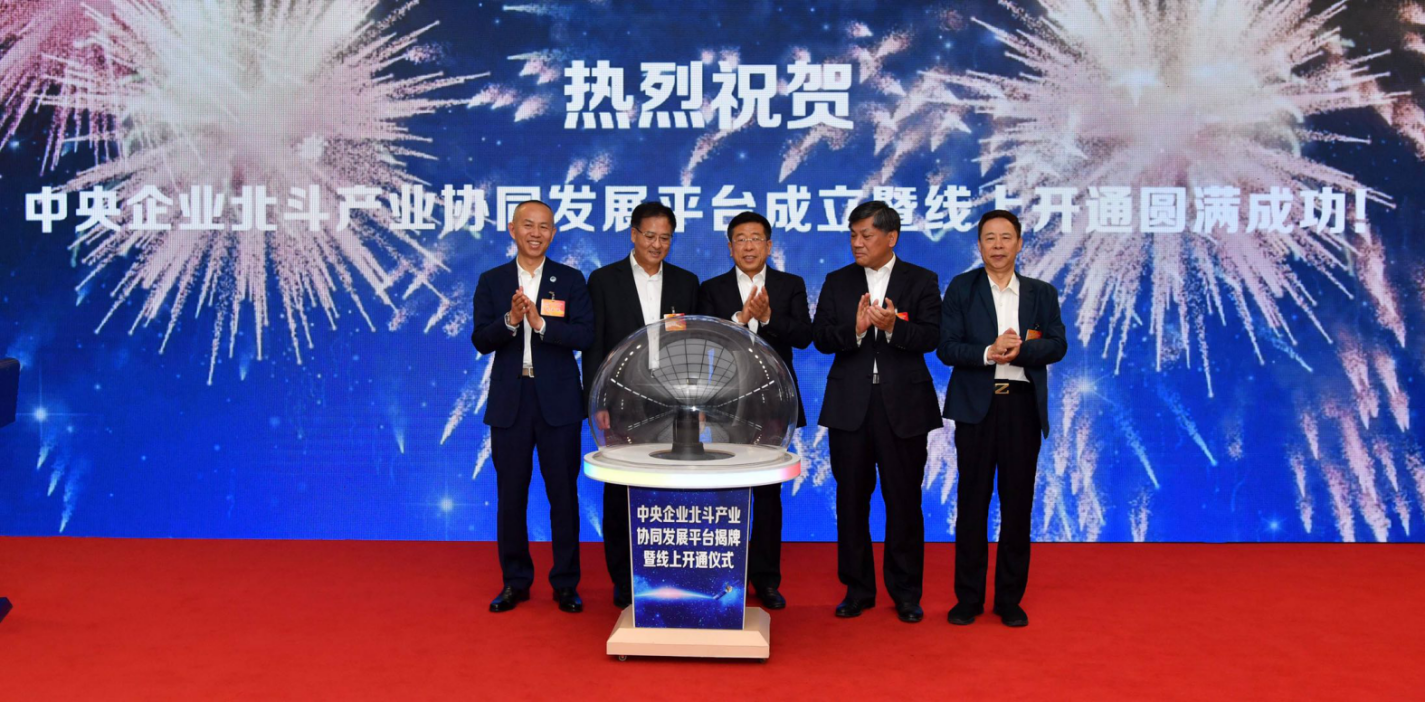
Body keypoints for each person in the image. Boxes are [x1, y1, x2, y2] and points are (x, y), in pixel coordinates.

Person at [812, 200, 942, 624]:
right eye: (853, 235)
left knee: (903, 500)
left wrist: (892, 327)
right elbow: (820, 338)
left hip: (903, 408)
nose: (857, 243)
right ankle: (857, 589)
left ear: (891, 237)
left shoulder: (921, 279)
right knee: (851, 500)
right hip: (850, 406)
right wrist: (856, 329)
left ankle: (906, 593)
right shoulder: (838, 281)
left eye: (866, 235)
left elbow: (932, 337)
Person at [937, 209, 1067, 628]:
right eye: (989, 238)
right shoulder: (962, 288)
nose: (997, 245)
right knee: (972, 504)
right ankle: (968, 598)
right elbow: (946, 347)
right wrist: (988, 353)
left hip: (1021, 408)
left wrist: (1021, 351)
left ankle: (1009, 599)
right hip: (977, 407)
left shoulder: (1041, 293)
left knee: (1017, 505)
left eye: (1006, 237)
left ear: (1020, 244)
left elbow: (1058, 344)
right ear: (979, 245)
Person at [470, 200, 594, 614]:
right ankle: (515, 582)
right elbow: (480, 339)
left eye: (544, 226)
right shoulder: (493, 280)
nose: (535, 233)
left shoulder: (570, 279)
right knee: (511, 496)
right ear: (513, 229)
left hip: (558, 403)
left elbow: (585, 336)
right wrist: (510, 320)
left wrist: (541, 324)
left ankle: (566, 583)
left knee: (564, 496)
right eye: (528, 225)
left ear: (553, 233)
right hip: (511, 402)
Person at [583, 201, 700, 609]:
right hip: (620, 403)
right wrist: (596, 399)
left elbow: (692, 345)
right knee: (621, 492)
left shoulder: (686, 282)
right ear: (633, 235)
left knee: (672, 489)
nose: (657, 244)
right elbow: (594, 345)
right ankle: (624, 578)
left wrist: (695, 399)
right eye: (649, 236)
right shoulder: (604, 280)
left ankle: (668, 572)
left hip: (673, 404)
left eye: (665, 238)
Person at [696, 210, 813, 611]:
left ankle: (766, 580)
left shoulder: (789, 285)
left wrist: (768, 318)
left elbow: (805, 336)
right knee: (725, 493)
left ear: (769, 245)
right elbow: (704, 339)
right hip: (725, 405)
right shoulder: (711, 288)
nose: (749, 246)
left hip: (775, 406)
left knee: (767, 495)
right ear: (730, 247)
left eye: (756, 238)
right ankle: (724, 575)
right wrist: (741, 320)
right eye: (741, 239)